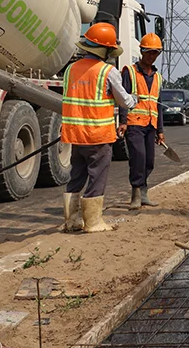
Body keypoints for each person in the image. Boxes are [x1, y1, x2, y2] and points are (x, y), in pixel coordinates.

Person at [62, 23, 137, 233]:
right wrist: (134, 100)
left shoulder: (70, 70)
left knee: (76, 175)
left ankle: (72, 221)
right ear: (105, 50)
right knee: (97, 175)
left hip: (75, 134)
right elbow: (125, 101)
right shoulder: (107, 71)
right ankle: (93, 223)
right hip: (97, 135)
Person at [118, 33, 165, 210]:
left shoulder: (158, 77)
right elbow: (124, 98)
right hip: (134, 123)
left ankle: (144, 194)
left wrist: (160, 130)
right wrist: (123, 121)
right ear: (142, 52)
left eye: (155, 53)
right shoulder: (130, 72)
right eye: (149, 52)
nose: (152, 56)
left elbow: (158, 105)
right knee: (138, 157)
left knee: (149, 161)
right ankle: (135, 194)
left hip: (151, 124)